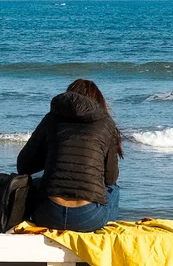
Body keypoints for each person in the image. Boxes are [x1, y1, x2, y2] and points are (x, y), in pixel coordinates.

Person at [16, 78, 124, 232]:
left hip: (47, 214)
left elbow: (23, 165)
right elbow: (111, 178)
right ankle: (105, 233)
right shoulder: (107, 123)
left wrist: (53, 156)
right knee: (114, 189)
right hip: (88, 217)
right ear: (98, 99)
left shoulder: (51, 119)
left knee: (37, 183)